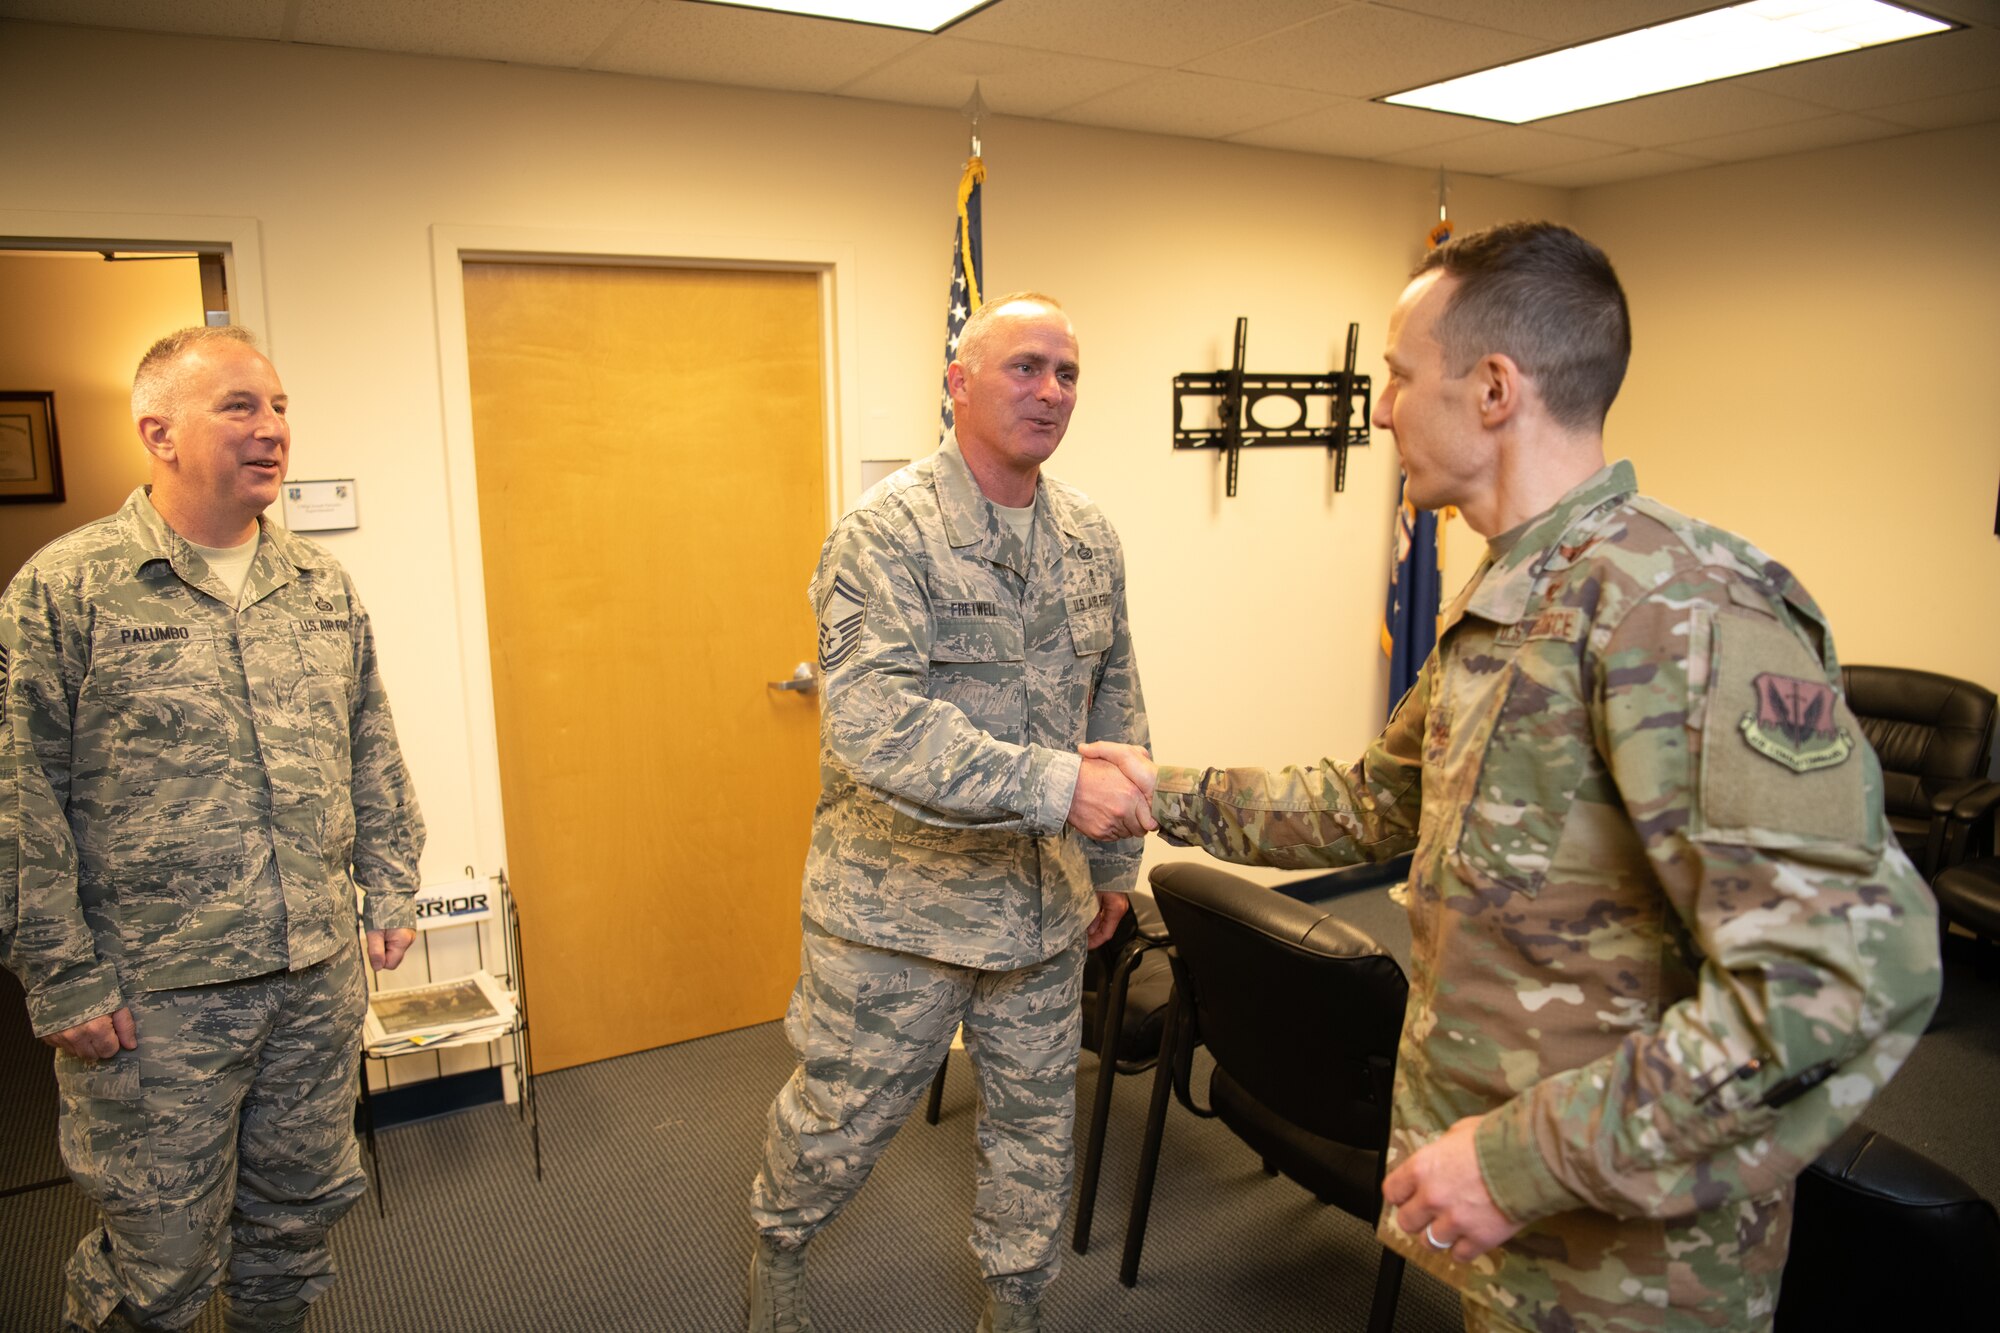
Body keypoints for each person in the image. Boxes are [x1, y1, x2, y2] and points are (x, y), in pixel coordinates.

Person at [1083, 222, 1941, 1333]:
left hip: (1634, 1263)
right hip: (1516, 1229)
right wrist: (1161, 787)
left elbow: (1843, 976)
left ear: (1492, 388)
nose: (1381, 408)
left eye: (1396, 377)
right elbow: (1370, 801)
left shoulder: (1675, 608)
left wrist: (1520, 1158)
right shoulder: (1513, 598)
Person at [0, 325, 426, 1332]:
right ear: (159, 431)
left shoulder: (320, 587)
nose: (271, 429)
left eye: (277, 407)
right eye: (239, 407)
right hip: (156, 1006)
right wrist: (60, 976)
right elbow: (17, 798)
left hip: (311, 979)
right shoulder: (65, 593)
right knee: (158, 1261)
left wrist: (391, 882)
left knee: (291, 1230)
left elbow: (369, 741)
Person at [748, 293, 1150, 1333]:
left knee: (1033, 1128)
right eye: (1025, 367)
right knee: (841, 1116)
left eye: (1066, 373)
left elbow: (1115, 701)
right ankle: (780, 1242)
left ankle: (1014, 1301)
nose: (1050, 392)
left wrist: (1113, 868)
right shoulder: (883, 536)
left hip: (1039, 908)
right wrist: (1058, 787)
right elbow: (873, 724)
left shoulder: (1091, 536)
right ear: (957, 381)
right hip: (897, 915)